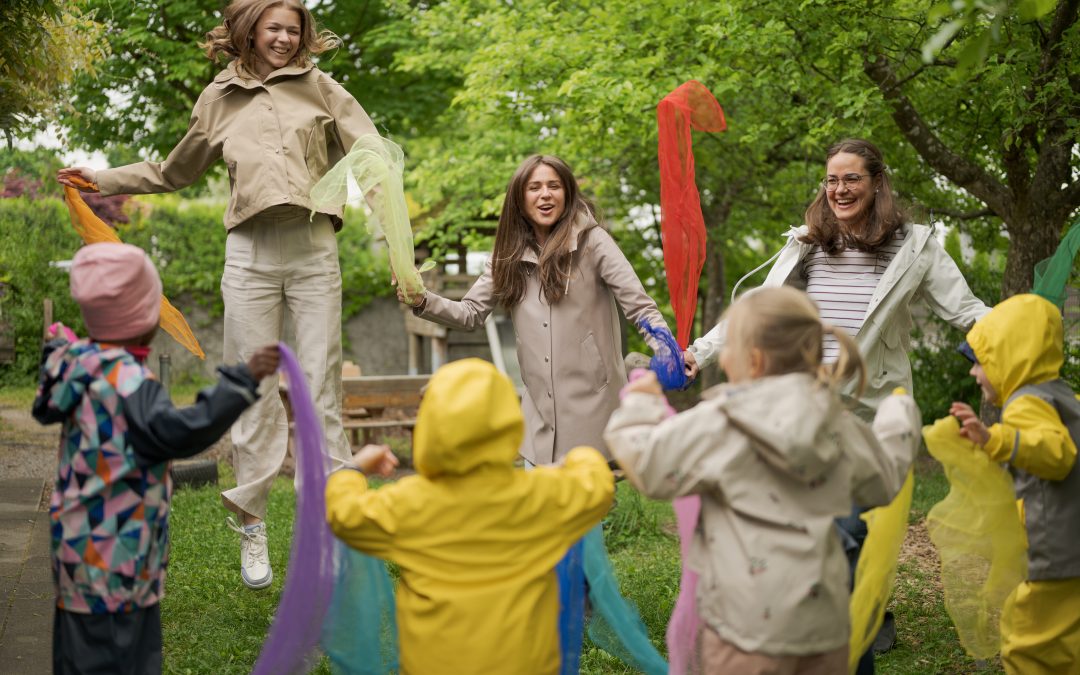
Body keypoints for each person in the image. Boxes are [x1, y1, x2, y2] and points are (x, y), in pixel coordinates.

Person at [57, 0, 382, 589]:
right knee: (250, 386)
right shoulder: (219, 97)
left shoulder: (323, 87)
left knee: (320, 387)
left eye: (293, 29)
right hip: (250, 255)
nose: (283, 38)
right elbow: (173, 172)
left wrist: (396, 239)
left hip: (314, 248)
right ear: (249, 31)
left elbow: (371, 158)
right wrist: (99, 178)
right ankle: (252, 524)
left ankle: (334, 531)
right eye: (273, 28)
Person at [683, 138, 989, 668]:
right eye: (832, 180)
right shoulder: (807, 243)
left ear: (876, 182)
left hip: (869, 407)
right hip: (802, 403)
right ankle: (839, 623)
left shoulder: (913, 245)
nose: (840, 189)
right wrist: (698, 354)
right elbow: (758, 311)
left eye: (851, 179)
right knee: (825, 528)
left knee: (846, 526)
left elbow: (966, 311)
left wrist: (1021, 337)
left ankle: (852, 634)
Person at [604, 286, 921, 672]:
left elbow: (648, 465)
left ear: (752, 360)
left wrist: (640, 400)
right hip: (824, 632)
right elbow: (884, 480)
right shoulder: (837, 422)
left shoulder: (721, 421)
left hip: (743, 635)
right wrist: (898, 415)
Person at [33, 242, 280, 675]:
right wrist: (241, 381)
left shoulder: (76, 364)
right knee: (128, 660)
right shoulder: (131, 384)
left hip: (74, 555)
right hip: (121, 561)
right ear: (144, 320)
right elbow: (185, 432)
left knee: (75, 657)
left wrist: (58, 349)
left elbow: (44, 402)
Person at [326, 358, 614, 674]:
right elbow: (598, 484)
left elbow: (344, 515)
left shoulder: (410, 502)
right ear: (508, 425)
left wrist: (353, 470)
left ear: (431, 427)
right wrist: (572, 460)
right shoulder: (539, 494)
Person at [398, 154, 672, 465]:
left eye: (554, 186)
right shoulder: (506, 255)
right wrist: (422, 300)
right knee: (542, 511)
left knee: (588, 512)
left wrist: (666, 349)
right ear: (520, 198)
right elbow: (471, 312)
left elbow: (639, 305)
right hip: (539, 416)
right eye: (535, 187)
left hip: (594, 411)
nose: (545, 194)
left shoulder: (594, 242)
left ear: (567, 194)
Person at [950, 293, 1080, 674]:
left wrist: (996, 440)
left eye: (980, 361)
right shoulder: (1062, 396)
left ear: (1009, 356)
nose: (974, 373)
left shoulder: (1025, 402)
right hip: (1073, 548)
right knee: (1066, 643)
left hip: (1056, 554)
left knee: (1027, 643)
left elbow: (1056, 455)